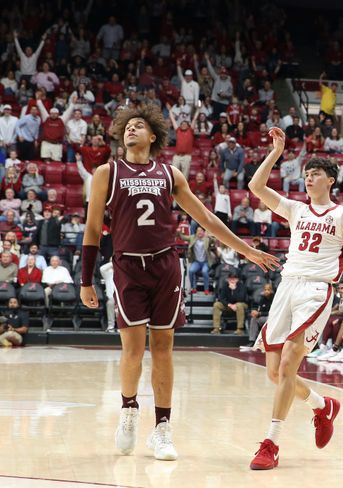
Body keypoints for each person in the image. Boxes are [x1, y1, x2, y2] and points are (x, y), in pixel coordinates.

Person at [79, 104, 278, 462]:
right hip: (127, 266)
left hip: (166, 266)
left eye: (140, 126)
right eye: (128, 126)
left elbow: (205, 218)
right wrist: (86, 280)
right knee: (133, 351)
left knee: (164, 349)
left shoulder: (170, 173)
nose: (132, 129)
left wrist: (246, 250)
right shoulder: (107, 172)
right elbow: (93, 229)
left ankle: (162, 429)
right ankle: (128, 411)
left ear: (153, 136)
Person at [248, 127, 343, 471]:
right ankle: (322, 406)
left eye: (315, 174)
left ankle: (271, 443)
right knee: (274, 373)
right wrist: (275, 152)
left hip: (316, 289)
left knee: (287, 365)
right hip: (287, 287)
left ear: (331, 180)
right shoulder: (296, 209)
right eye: (306, 174)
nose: (308, 178)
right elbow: (256, 187)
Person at [187, 227, 215, 295]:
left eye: (201, 230)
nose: (199, 232)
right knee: (191, 271)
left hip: (205, 262)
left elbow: (213, 241)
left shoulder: (207, 239)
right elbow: (183, 237)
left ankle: (206, 289)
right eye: (198, 230)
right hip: (197, 262)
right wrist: (178, 232)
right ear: (196, 232)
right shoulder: (192, 238)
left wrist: (209, 236)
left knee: (204, 271)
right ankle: (193, 288)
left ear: (204, 232)